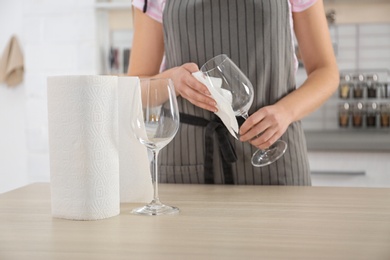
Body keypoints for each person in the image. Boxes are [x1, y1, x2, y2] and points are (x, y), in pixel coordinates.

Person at [128, 0, 339, 185]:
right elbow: (136, 87)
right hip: (187, 159)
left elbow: (326, 71)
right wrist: (171, 81)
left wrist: (286, 112)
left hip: (275, 156)